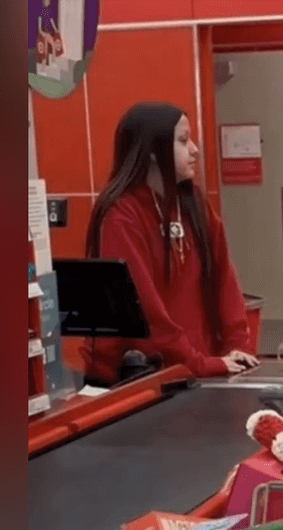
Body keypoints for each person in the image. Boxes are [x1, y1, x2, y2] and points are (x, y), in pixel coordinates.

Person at [81, 102, 259, 384]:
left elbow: (224, 280)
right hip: (143, 377)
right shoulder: (121, 214)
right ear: (152, 151)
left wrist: (237, 346)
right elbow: (146, 310)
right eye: (183, 141)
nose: (195, 150)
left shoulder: (194, 205)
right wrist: (199, 362)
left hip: (199, 368)